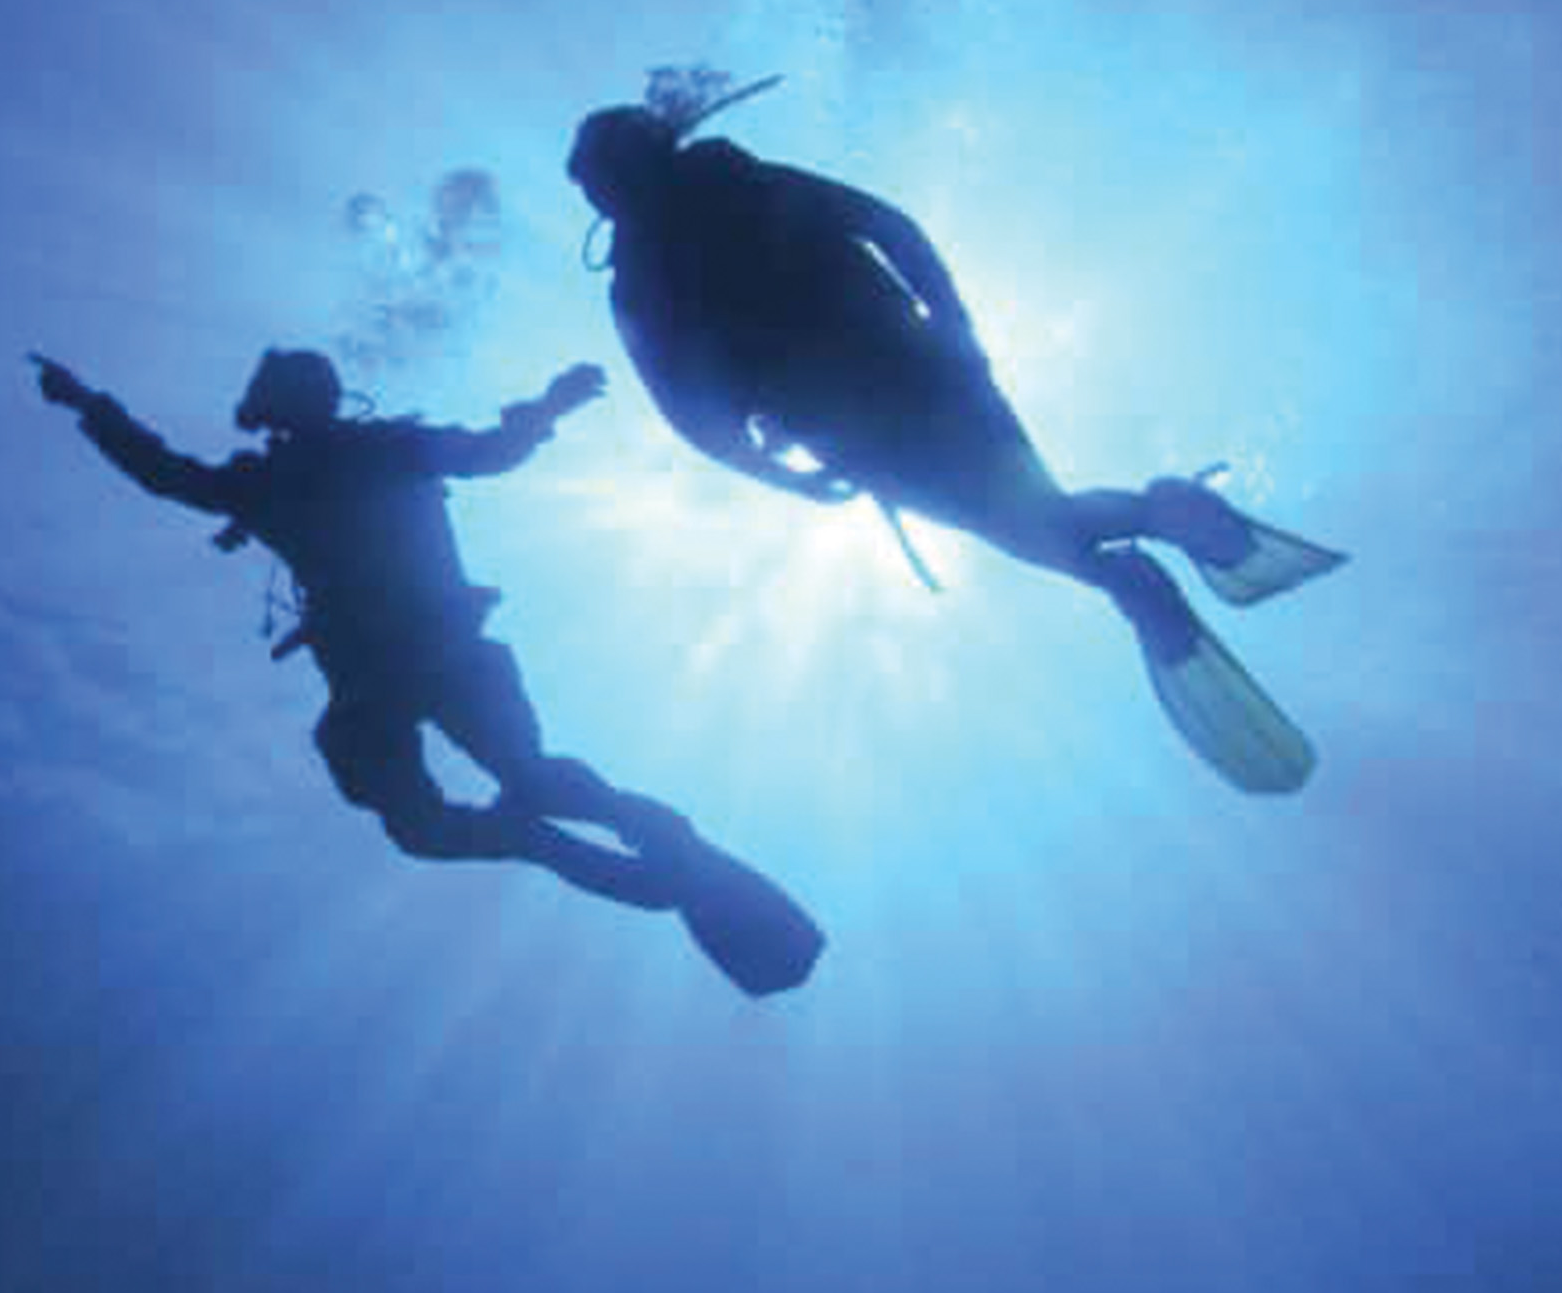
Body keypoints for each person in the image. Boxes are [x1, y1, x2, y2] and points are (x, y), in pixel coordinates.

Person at [565, 88, 1346, 794]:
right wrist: (953, 326)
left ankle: (1138, 547)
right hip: (926, 369)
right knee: (1032, 516)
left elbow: (693, 421)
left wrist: (788, 478)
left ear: (606, 190)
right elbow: (889, 228)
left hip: (859, 430)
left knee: (1026, 528)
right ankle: (1138, 545)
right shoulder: (740, 183)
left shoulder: (642, 280)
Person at [29, 343, 823, 999]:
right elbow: (489, 452)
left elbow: (166, 474)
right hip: (423, 662)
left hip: (398, 668)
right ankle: (592, 845)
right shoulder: (347, 460)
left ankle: (563, 843)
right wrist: (548, 406)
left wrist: (89, 407)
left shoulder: (289, 477)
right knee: (493, 795)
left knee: (472, 804)